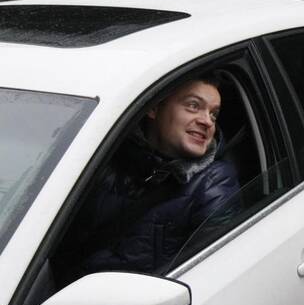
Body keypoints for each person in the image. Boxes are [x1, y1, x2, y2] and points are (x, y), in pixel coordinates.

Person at [58, 73, 242, 280]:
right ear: (154, 108)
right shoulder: (104, 158)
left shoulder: (213, 183)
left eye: (214, 114)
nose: (207, 121)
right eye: (193, 106)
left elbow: (209, 276)